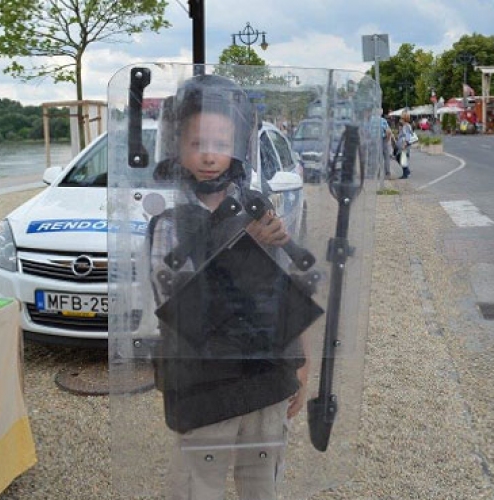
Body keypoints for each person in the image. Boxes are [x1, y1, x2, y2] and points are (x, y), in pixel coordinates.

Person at [148, 74, 309, 499]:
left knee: (262, 486)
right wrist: (245, 249)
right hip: (203, 385)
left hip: (264, 378)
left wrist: (299, 364)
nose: (207, 155)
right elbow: (181, 310)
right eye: (196, 143)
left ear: (237, 148)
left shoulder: (258, 214)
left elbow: (283, 296)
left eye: (220, 144)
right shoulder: (168, 226)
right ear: (176, 148)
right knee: (199, 486)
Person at [397, 111, 414, 179]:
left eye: (401, 118)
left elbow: (407, 136)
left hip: (405, 145)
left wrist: (405, 144)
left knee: (402, 158)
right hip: (403, 145)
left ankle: (405, 173)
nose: (400, 119)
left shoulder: (406, 126)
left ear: (404, 119)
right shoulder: (405, 126)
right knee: (401, 158)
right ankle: (406, 171)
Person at [380, 110, 392, 179]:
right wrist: (387, 139)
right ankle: (387, 173)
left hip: (375, 140)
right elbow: (388, 131)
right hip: (383, 139)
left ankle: (377, 172)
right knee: (386, 157)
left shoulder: (371, 120)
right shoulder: (383, 121)